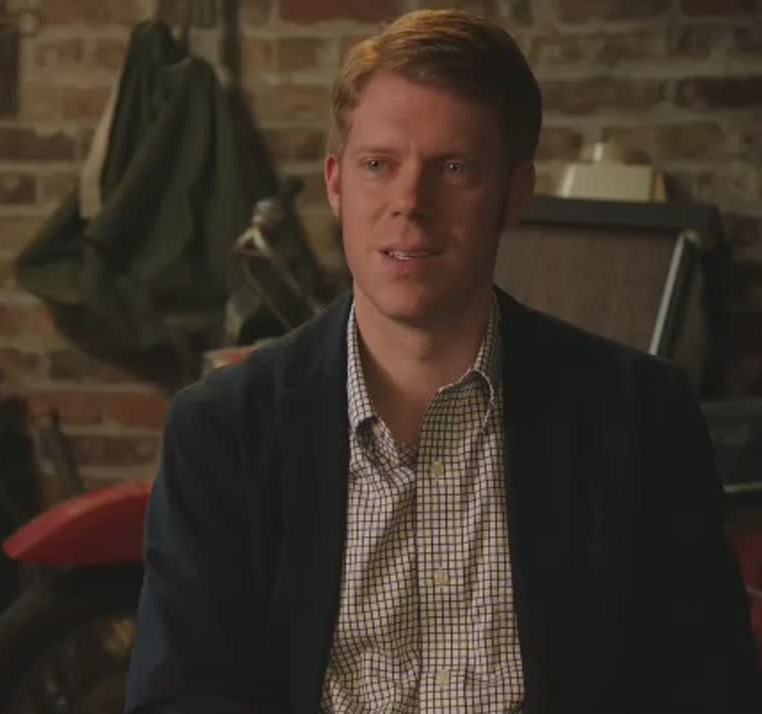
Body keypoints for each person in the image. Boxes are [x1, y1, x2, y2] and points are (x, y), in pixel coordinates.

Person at [125, 9, 761, 714]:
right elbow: (181, 698)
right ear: (336, 184)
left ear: (515, 194)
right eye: (378, 166)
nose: (409, 203)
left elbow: (710, 691)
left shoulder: (637, 418)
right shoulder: (223, 431)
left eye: (454, 169)